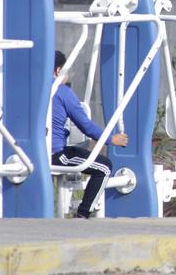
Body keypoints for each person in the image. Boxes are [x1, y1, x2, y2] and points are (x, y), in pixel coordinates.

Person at [52, 50, 128, 219]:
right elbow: (86, 126)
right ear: (58, 71)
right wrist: (111, 139)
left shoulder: (34, 91)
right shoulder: (62, 92)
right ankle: (83, 214)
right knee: (104, 167)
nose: (69, 74)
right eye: (67, 70)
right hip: (54, 154)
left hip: (31, 154)